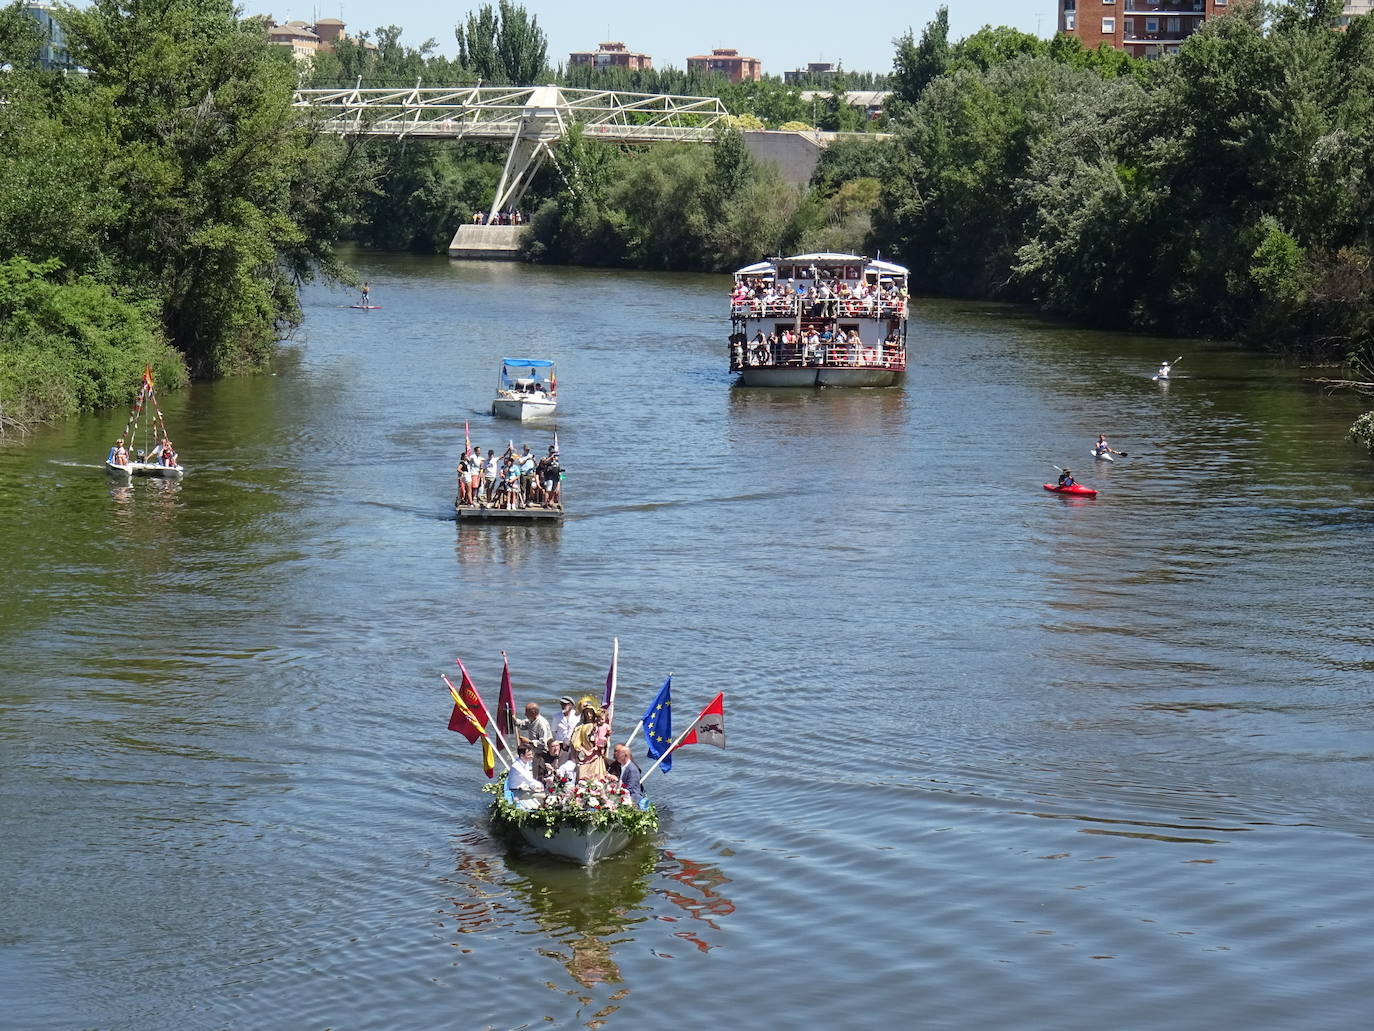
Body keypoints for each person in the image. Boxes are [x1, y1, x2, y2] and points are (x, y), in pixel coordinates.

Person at [570, 703, 606, 782]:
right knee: (583, 777)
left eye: (591, 713)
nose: (589, 715)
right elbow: (576, 742)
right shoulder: (580, 727)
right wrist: (583, 750)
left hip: (596, 755)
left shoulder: (597, 726)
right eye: (586, 713)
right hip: (585, 755)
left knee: (596, 778)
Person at [507, 744, 544, 809]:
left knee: (541, 795)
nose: (532, 756)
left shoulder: (526, 762)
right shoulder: (517, 767)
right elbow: (529, 779)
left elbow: (530, 778)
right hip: (516, 792)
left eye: (531, 754)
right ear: (521, 755)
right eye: (529, 755)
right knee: (543, 796)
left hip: (524, 789)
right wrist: (540, 786)